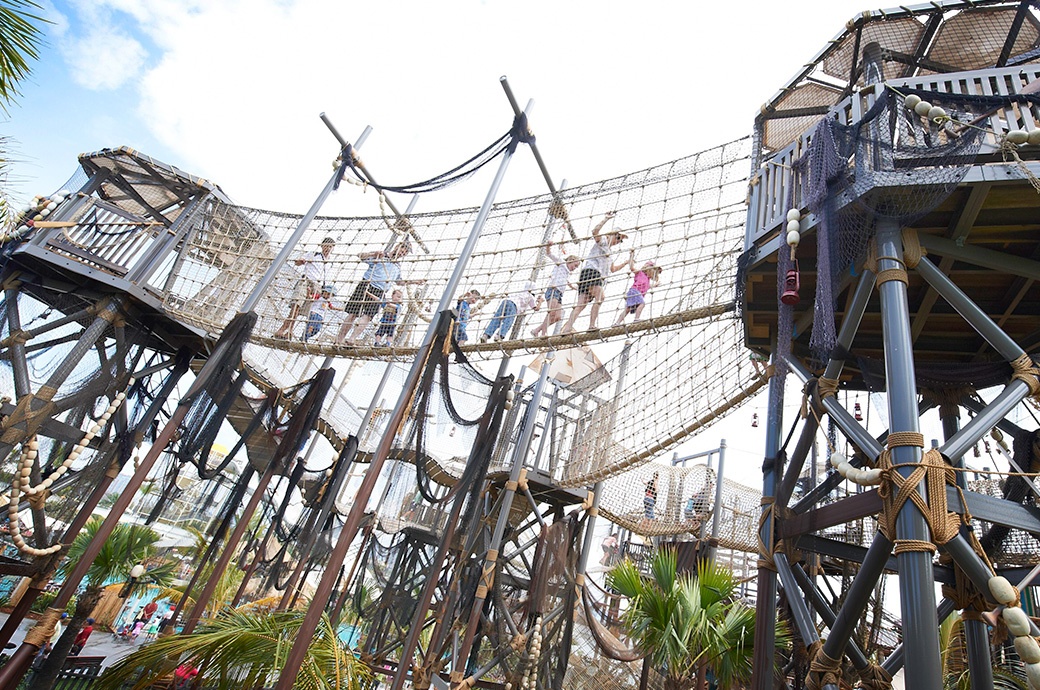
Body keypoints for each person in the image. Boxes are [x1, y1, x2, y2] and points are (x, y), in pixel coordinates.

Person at [336, 242, 423, 344]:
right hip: (366, 285)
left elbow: (399, 281)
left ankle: (352, 339)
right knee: (353, 314)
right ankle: (339, 340)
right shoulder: (381, 256)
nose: (402, 253)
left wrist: (414, 281)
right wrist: (373, 254)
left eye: (405, 253)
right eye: (402, 250)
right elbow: (360, 256)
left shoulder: (397, 267)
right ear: (397, 247)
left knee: (368, 316)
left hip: (380, 292)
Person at [561, 211, 629, 333]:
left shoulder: (609, 253)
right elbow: (594, 232)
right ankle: (592, 325)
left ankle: (567, 328)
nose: (618, 241)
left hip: (590, 275)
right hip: (592, 272)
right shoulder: (603, 240)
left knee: (581, 304)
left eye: (621, 240)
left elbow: (613, 269)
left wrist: (626, 263)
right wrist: (606, 219)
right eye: (618, 237)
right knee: (600, 297)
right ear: (612, 234)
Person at [273, 237, 336, 339]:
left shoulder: (331, 263)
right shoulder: (313, 254)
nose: (327, 248)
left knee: (303, 311)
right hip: (306, 281)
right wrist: (300, 261)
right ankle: (283, 330)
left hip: (317, 287)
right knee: (296, 306)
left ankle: (290, 332)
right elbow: (297, 263)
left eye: (330, 247)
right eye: (326, 246)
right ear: (321, 246)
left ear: (333, 248)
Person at [531, 242, 580, 337]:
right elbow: (549, 254)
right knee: (551, 312)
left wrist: (572, 286)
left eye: (577, 267)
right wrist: (548, 246)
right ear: (570, 260)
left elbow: (566, 280)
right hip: (553, 290)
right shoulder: (561, 263)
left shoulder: (567, 272)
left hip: (559, 294)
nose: (575, 268)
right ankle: (543, 333)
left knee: (558, 316)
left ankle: (536, 330)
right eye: (575, 265)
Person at [613, 255, 662, 326]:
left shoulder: (647, 280)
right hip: (634, 291)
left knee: (627, 309)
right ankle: (636, 319)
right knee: (642, 304)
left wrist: (655, 285)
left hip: (634, 293)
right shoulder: (640, 273)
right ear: (649, 269)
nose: (654, 274)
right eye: (654, 272)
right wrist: (631, 258)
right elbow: (632, 268)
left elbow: (647, 286)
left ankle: (617, 323)